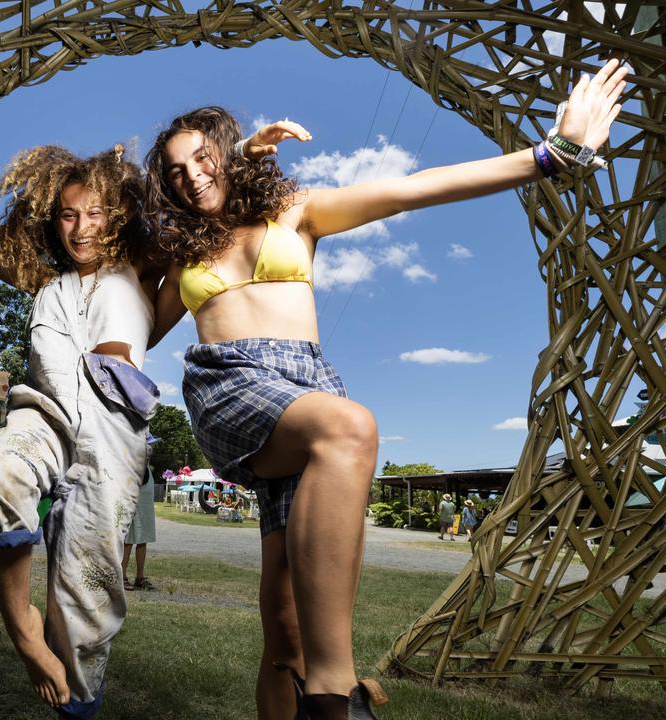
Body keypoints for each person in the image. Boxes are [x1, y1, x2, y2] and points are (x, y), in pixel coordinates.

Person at [142, 60, 629, 720]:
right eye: (175, 172)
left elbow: (409, 190)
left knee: (284, 624)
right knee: (351, 429)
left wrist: (549, 155)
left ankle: (311, 688)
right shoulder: (182, 257)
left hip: (303, 386)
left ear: (226, 155)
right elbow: (129, 327)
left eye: (201, 158)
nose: (191, 176)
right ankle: (335, 697)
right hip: (230, 387)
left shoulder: (297, 211)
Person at [0, 144, 159, 719]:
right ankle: (24, 634)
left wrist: (114, 180)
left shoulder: (143, 270)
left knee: (84, 602)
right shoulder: (48, 282)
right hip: (43, 415)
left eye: (95, 213)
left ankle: (75, 702)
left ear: (120, 214)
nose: (80, 228)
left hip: (112, 434)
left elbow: (185, 227)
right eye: (68, 214)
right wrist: (42, 196)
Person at [121, 468, 157, 591]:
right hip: (131, 480)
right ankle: (122, 577)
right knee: (128, 538)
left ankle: (139, 578)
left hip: (146, 481)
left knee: (143, 536)